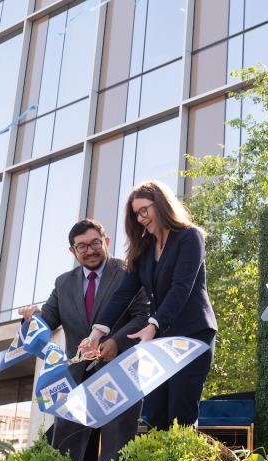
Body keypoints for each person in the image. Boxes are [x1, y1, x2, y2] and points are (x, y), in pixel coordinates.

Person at [18, 218, 150, 461]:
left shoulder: (129, 272)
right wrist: (31, 321)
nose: (89, 250)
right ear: (73, 251)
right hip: (74, 379)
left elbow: (142, 316)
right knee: (66, 455)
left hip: (119, 374)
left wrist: (116, 342)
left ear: (106, 241)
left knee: (117, 454)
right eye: (82, 246)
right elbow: (48, 321)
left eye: (95, 243)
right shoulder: (63, 283)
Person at [87, 181, 217, 431]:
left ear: (161, 205)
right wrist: (96, 333)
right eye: (135, 214)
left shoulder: (190, 237)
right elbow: (122, 294)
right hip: (158, 340)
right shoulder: (144, 250)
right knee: (155, 413)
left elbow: (182, 287)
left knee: (180, 413)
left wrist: (153, 324)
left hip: (192, 335)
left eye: (144, 210)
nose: (140, 218)